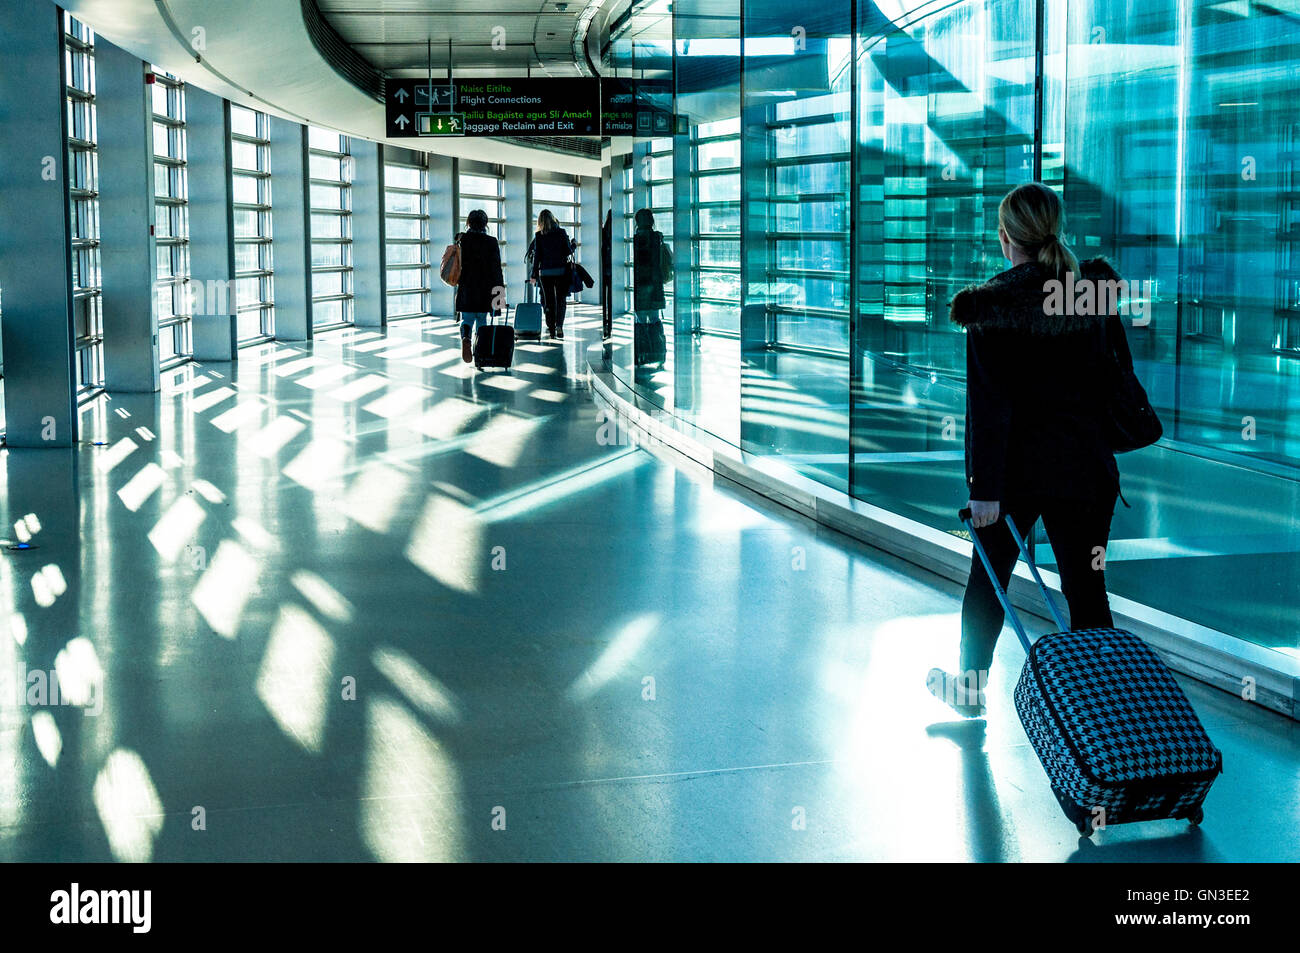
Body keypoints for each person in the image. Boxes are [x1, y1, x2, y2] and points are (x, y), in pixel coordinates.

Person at [927, 181, 1129, 718]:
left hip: (1015, 476)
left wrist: (984, 490)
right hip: (1087, 470)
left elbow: (989, 409)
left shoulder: (991, 304)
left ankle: (969, 691)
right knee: (1087, 589)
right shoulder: (1089, 290)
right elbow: (1116, 377)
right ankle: (1102, 712)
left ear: (1005, 237)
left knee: (988, 584)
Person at [455, 209, 504, 364]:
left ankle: (466, 337)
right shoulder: (491, 241)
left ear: (468, 222)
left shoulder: (462, 240)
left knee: (467, 319)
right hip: (486, 288)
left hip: (467, 286)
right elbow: (497, 269)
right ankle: (480, 352)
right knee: (482, 321)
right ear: (485, 224)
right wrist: (499, 296)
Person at [631, 208, 672, 367]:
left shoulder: (637, 239)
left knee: (641, 321)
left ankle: (643, 354)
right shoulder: (657, 237)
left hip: (641, 285)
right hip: (655, 286)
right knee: (655, 320)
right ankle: (659, 353)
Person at [529, 209, 575, 339]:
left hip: (545, 273)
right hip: (561, 272)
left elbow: (537, 257)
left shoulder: (539, 235)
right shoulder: (561, 232)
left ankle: (551, 328)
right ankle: (559, 326)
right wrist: (574, 244)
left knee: (548, 301)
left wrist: (533, 274)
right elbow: (568, 252)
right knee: (561, 299)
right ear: (553, 219)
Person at [601, 209, 613, 339]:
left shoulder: (603, 232)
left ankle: (606, 323)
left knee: (605, 299)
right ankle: (610, 323)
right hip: (613, 270)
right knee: (611, 298)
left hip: (604, 270)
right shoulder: (619, 233)